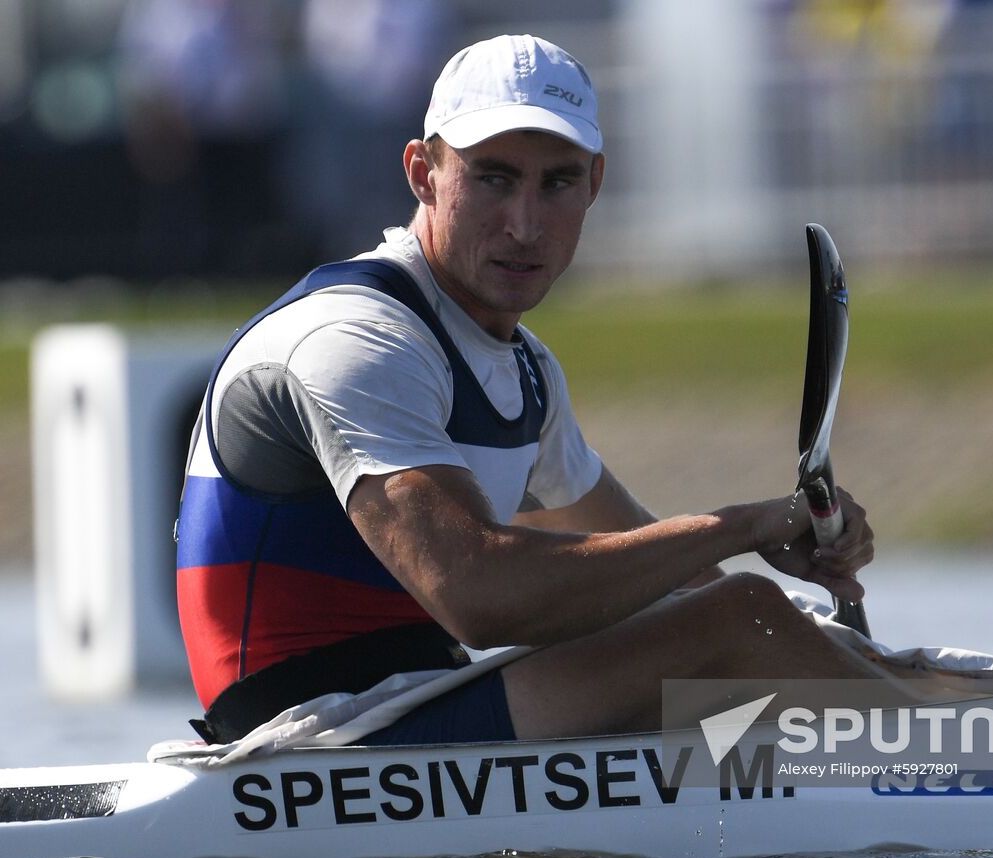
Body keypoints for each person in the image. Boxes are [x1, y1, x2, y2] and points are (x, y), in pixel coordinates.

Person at [175, 34, 877, 747]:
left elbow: (670, 578)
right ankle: (960, 763)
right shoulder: (356, 338)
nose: (526, 224)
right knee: (746, 619)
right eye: (494, 179)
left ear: (595, 183)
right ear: (423, 172)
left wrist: (806, 576)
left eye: (559, 183)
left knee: (777, 643)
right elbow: (478, 596)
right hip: (300, 745)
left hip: (414, 717)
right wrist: (744, 528)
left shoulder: (527, 369)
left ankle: (938, 743)